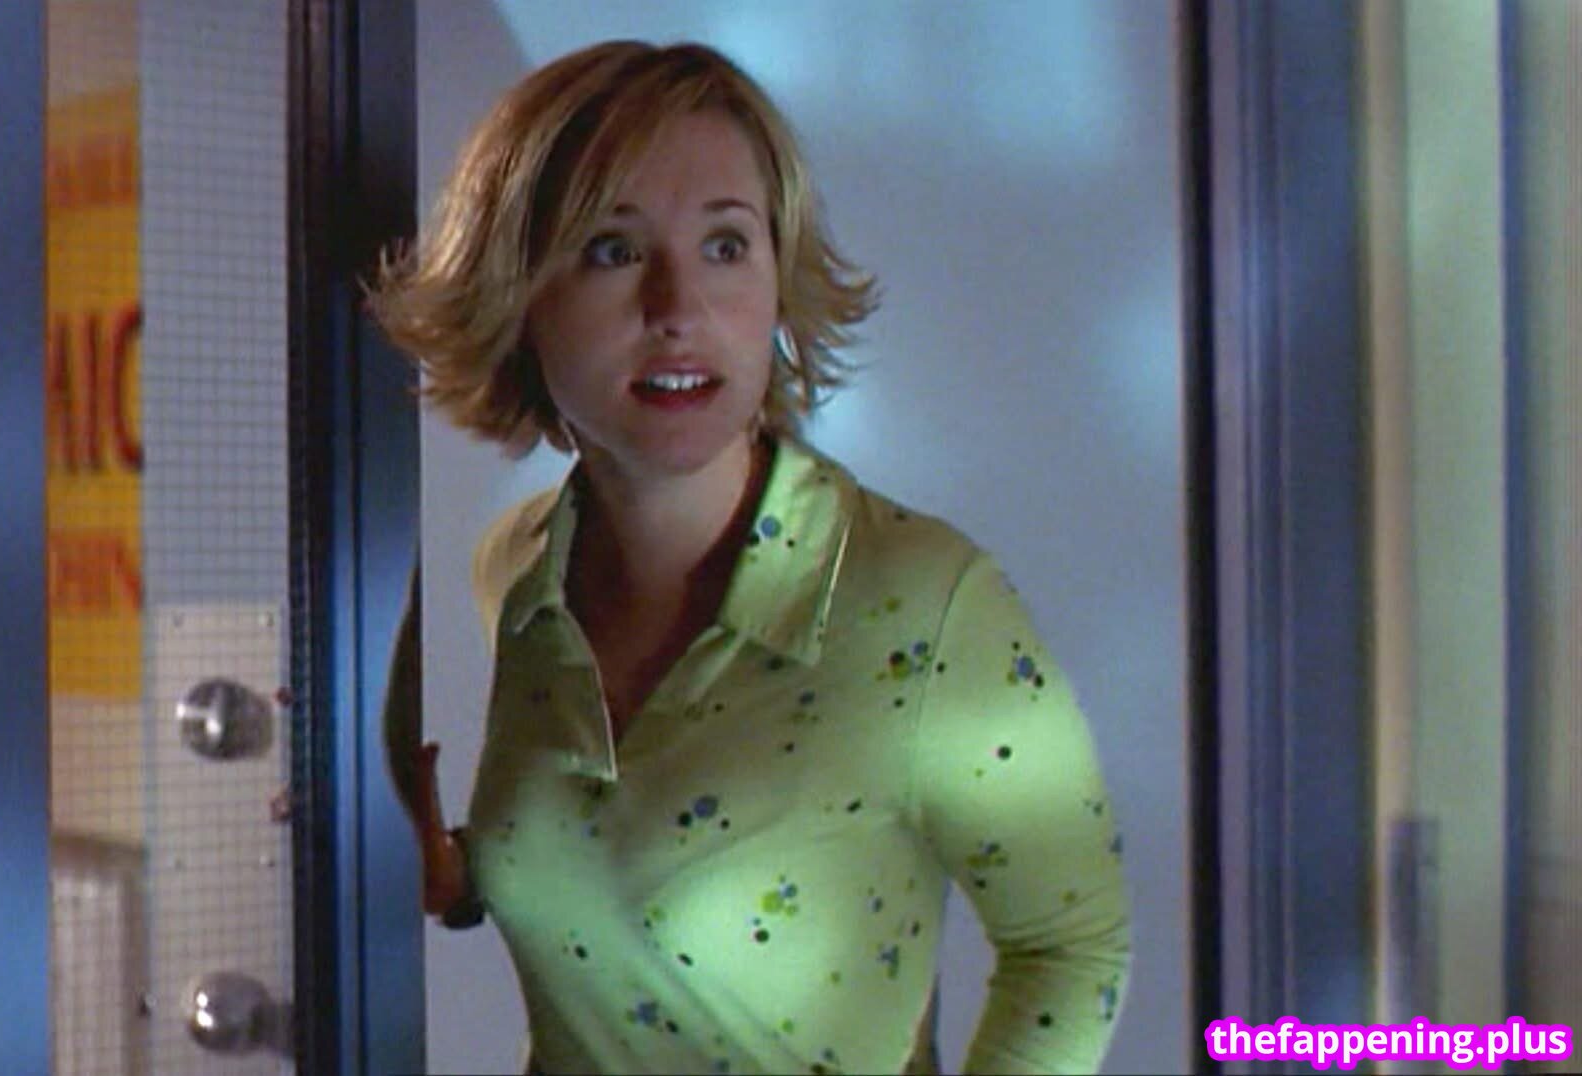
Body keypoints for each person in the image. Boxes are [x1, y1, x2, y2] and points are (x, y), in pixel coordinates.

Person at [369, 39, 1130, 1076]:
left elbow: (1071, 951)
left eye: (725, 245)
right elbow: (615, 855)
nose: (678, 308)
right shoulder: (517, 567)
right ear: (517, 293)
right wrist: (458, 871)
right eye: (611, 249)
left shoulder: (923, 599)